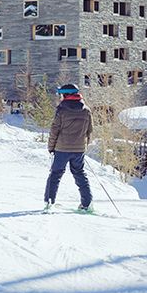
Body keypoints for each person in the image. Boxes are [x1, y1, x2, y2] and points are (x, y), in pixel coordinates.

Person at [44, 83, 95, 213]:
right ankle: (87, 203)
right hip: (79, 150)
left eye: (61, 94)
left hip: (62, 149)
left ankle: (49, 202)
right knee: (80, 174)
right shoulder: (86, 110)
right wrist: (83, 146)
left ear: (66, 95)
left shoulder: (61, 110)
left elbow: (54, 130)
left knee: (55, 174)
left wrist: (51, 147)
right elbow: (89, 131)